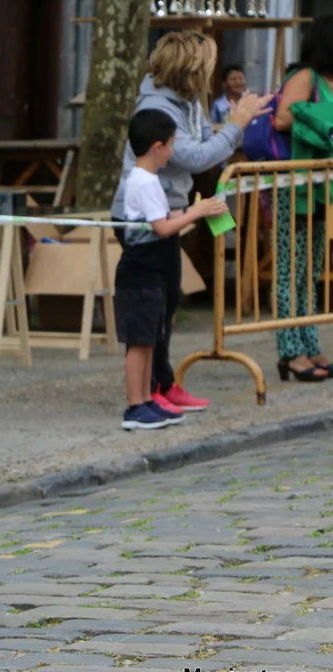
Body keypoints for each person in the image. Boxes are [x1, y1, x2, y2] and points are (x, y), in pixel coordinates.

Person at [110, 32, 271, 414]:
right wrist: (235, 127)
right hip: (152, 216)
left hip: (169, 209)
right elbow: (196, 157)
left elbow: (200, 144)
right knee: (153, 309)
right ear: (190, 69)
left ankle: (161, 384)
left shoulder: (186, 100)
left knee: (165, 304)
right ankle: (147, 394)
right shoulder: (158, 107)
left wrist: (234, 123)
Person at [115, 110, 228, 431]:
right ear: (157, 147)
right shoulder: (143, 181)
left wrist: (195, 211)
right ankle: (135, 406)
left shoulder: (146, 180)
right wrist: (196, 212)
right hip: (140, 272)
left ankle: (147, 399)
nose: (173, 151)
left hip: (150, 272)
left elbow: (162, 219)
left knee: (150, 339)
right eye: (171, 144)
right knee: (139, 342)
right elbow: (163, 228)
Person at [270, 16, 333, 381]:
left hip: (320, 187)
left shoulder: (327, 81)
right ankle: (290, 351)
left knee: (310, 269)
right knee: (289, 270)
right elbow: (282, 118)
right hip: (294, 186)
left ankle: (310, 343)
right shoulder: (305, 77)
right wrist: (321, 122)